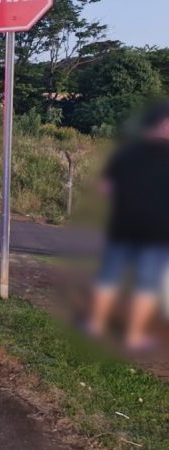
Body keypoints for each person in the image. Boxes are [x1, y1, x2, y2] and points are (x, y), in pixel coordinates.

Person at [88, 100, 169, 352]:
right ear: (165, 125)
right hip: (156, 231)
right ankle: (133, 337)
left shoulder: (127, 152)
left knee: (108, 277)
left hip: (122, 226)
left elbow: (104, 189)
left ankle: (95, 325)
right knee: (145, 284)